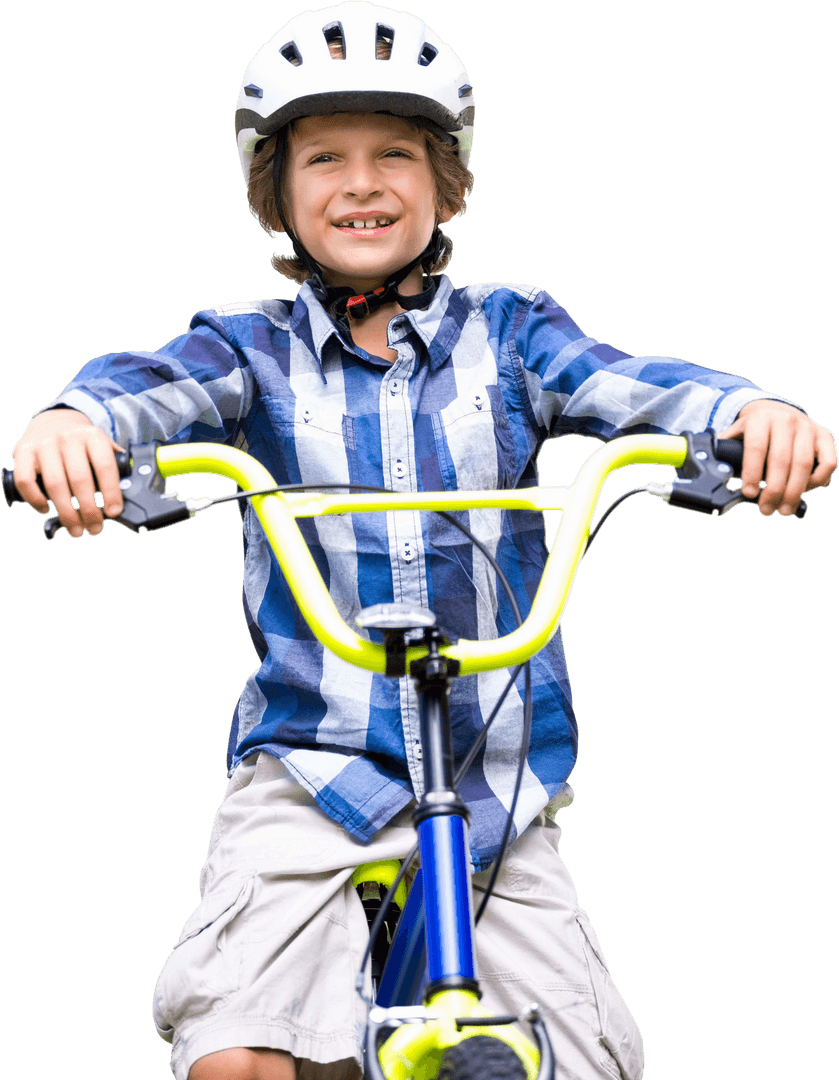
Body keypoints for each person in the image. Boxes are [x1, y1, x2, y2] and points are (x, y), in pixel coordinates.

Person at [8, 4, 836, 1079]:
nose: (360, 183)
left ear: (445, 183)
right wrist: (73, 427)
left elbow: (634, 388)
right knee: (235, 1049)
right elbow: (144, 391)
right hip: (312, 771)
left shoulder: (513, 332)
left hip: (496, 789)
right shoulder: (246, 347)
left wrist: (747, 416)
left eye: (394, 154)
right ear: (276, 188)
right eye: (324, 159)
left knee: (575, 1058)